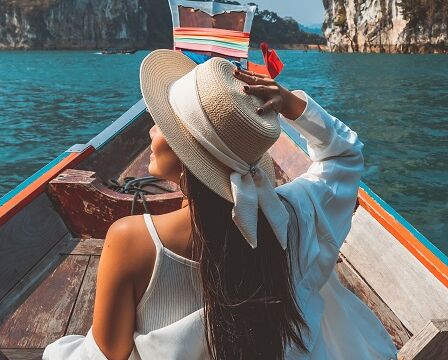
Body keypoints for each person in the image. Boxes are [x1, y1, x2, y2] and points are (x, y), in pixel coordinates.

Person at [44, 50, 396, 360]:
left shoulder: (131, 239)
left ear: (187, 153)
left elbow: (109, 355)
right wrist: (291, 105)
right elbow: (344, 156)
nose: (151, 131)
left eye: (163, 124)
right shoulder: (292, 215)